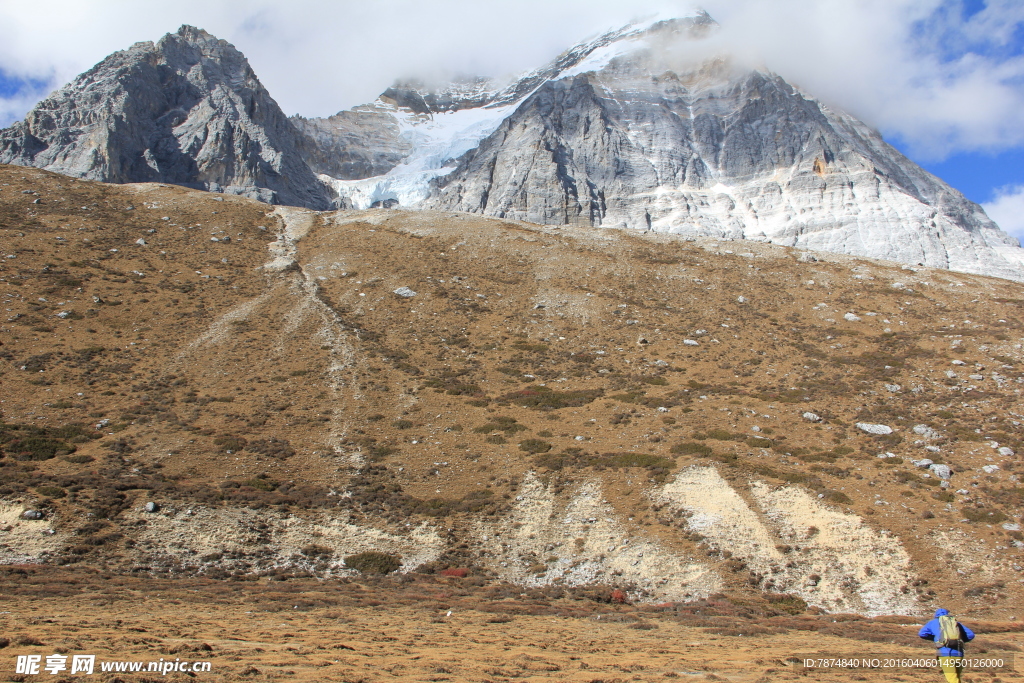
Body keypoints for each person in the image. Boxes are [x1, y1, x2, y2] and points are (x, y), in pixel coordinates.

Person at [919, 608, 976, 683]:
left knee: (952, 679)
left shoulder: (933, 623)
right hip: (959, 653)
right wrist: (959, 641)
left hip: (945, 653)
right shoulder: (955, 623)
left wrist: (937, 639)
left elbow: (922, 634)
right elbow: (971, 635)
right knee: (957, 678)